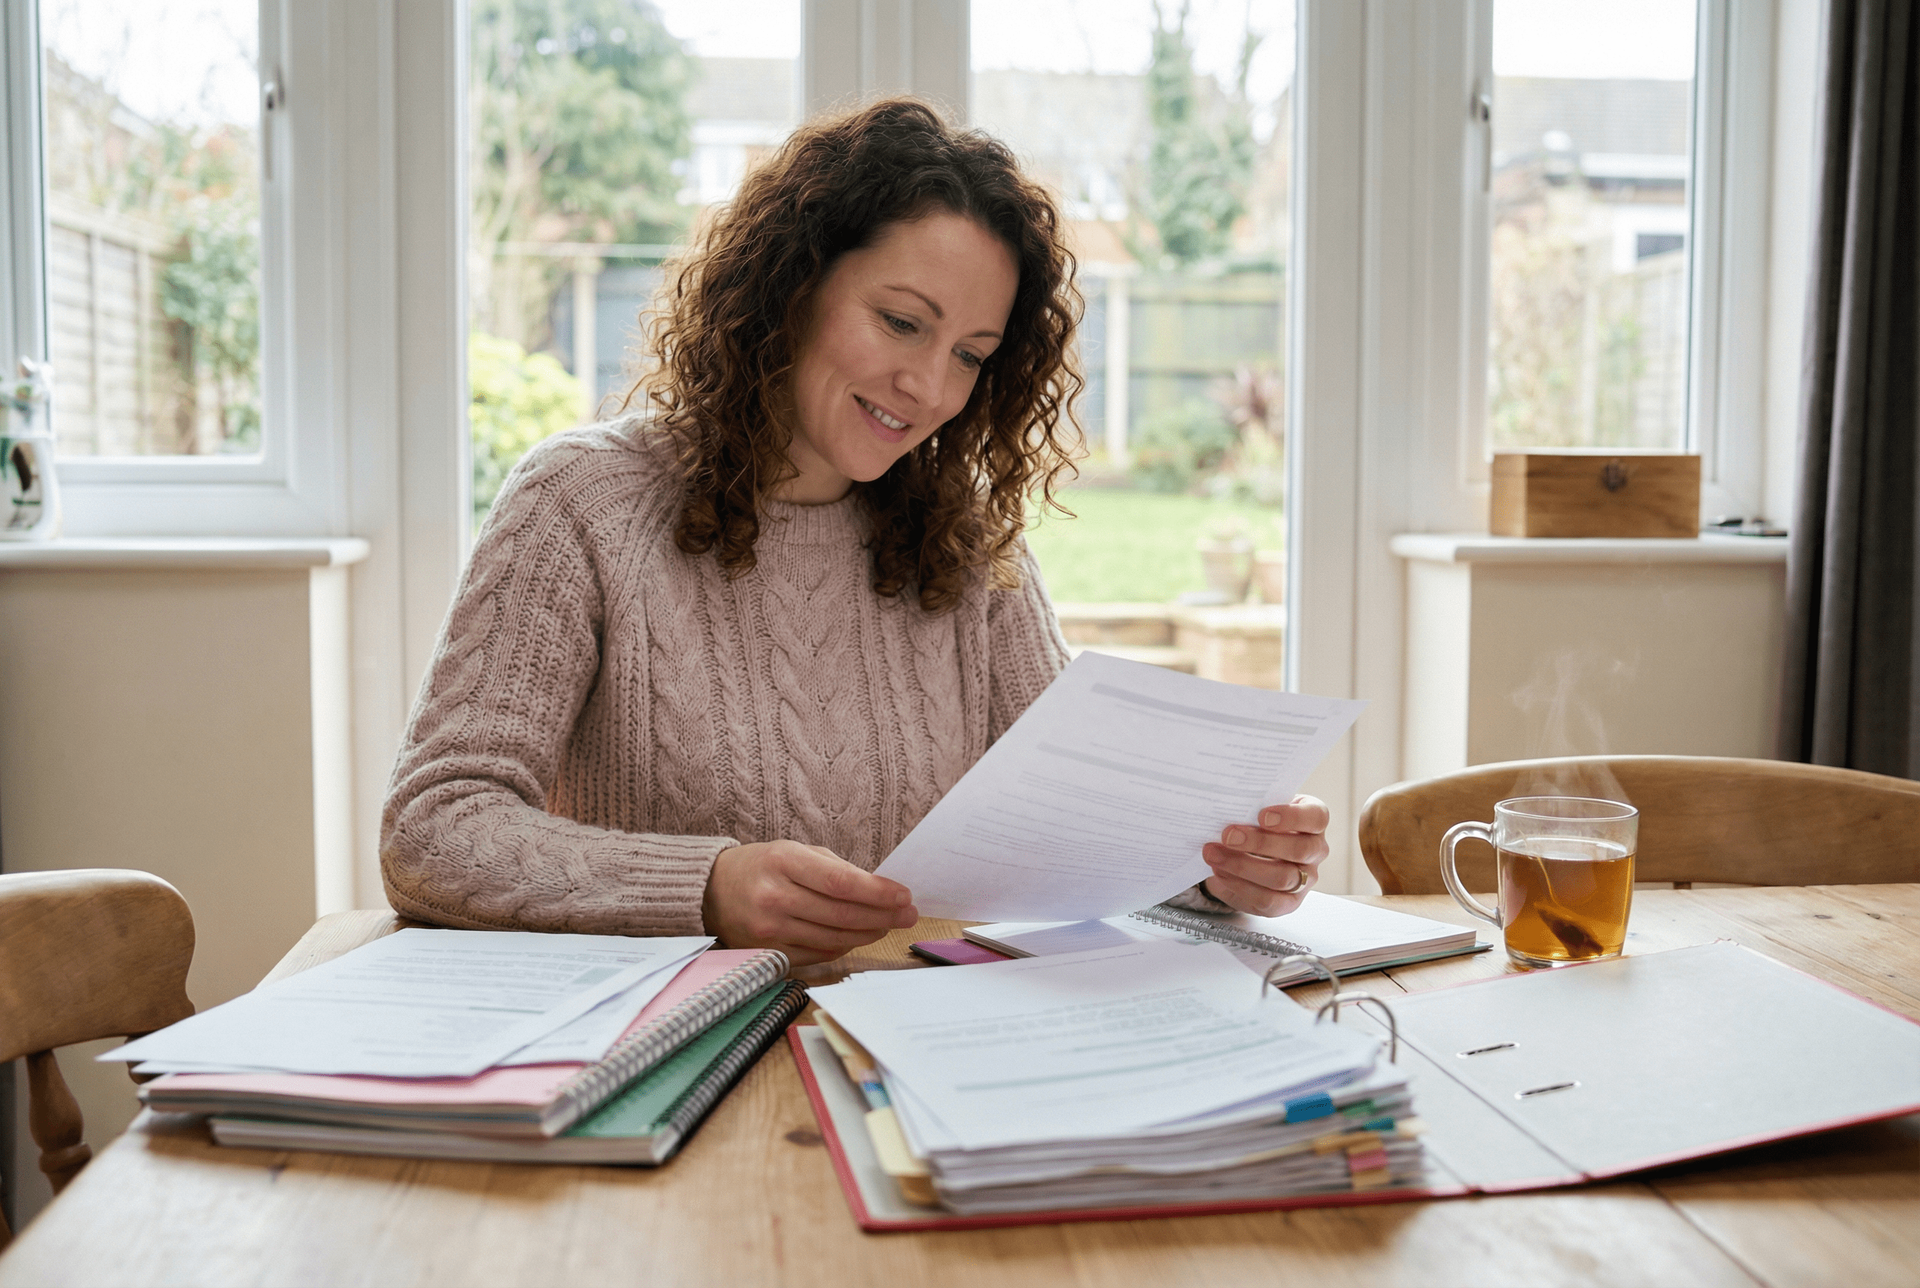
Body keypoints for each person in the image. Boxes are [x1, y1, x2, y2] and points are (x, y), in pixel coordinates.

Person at [382, 99, 1329, 966]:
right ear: (791, 286)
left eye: (969, 356)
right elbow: (433, 827)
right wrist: (705, 887)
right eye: (901, 322)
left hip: (922, 1046)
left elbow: (1073, 833)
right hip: (668, 1047)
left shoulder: (970, 539)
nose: (930, 388)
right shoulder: (580, 501)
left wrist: (1214, 866)